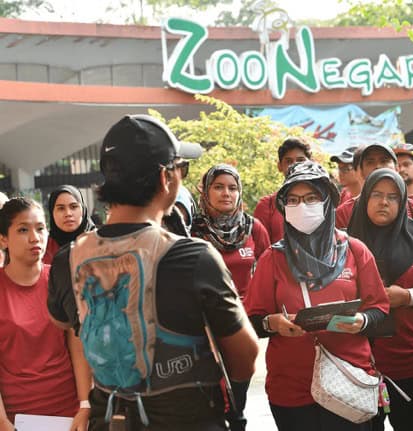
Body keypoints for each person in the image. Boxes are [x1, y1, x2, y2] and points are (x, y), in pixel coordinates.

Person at [47, 114, 259, 430]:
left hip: (109, 420)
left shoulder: (68, 259)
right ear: (165, 178)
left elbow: (62, 321)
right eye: (180, 168)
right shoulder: (194, 257)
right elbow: (245, 359)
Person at [244, 161, 389, 431]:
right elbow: (252, 321)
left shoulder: (355, 250)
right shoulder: (273, 258)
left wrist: (362, 321)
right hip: (292, 388)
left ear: (328, 202)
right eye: (293, 200)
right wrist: (272, 323)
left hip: (347, 382)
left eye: (311, 198)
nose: (302, 206)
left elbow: (380, 309)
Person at [348, 169, 413, 431]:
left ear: (403, 202)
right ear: (365, 198)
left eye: (393, 197)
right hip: (358, 363)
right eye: (376, 195)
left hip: (410, 358)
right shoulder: (342, 244)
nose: (384, 202)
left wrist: (408, 297)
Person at [0, 197, 91, 430]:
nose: (35, 238)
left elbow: (77, 345)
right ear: (3, 239)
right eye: (23, 230)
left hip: (69, 411)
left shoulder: (60, 278)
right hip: (16, 416)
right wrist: (2, 421)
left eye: (40, 228)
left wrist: (85, 404)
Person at [191, 164, 270, 431]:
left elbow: (269, 271)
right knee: (210, 401)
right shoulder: (192, 231)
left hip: (242, 328)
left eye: (232, 188)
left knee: (237, 402)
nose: (226, 193)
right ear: (205, 192)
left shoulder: (253, 228)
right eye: (218, 187)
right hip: (204, 330)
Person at [336, 143, 413, 230]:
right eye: (370, 162)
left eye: (384, 161)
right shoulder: (344, 213)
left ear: (397, 168)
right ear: (360, 172)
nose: (378, 166)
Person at [254, 137, 312, 243]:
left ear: (311, 164)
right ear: (279, 166)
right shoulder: (267, 205)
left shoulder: (323, 201)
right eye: (289, 161)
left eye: (300, 160)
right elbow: (261, 249)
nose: (295, 165)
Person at [43, 185, 95, 265]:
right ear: (52, 213)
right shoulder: (44, 248)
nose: (68, 213)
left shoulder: (99, 242)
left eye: (73, 207)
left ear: (83, 210)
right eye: (61, 208)